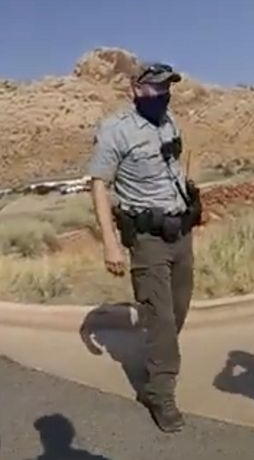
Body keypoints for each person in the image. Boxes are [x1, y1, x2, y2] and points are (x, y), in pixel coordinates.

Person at [87, 61, 202, 433]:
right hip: (147, 239)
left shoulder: (169, 122)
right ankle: (160, 392)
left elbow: (176, 165)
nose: (162, 94)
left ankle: (157, 355)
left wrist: (190, 199)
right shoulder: (116, 129)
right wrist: (110, 244)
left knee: (178, 309)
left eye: (166, 87)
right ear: (135, 89)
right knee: (161, 318)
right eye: (154, 87)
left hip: (180, 232)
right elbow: (99, 185)